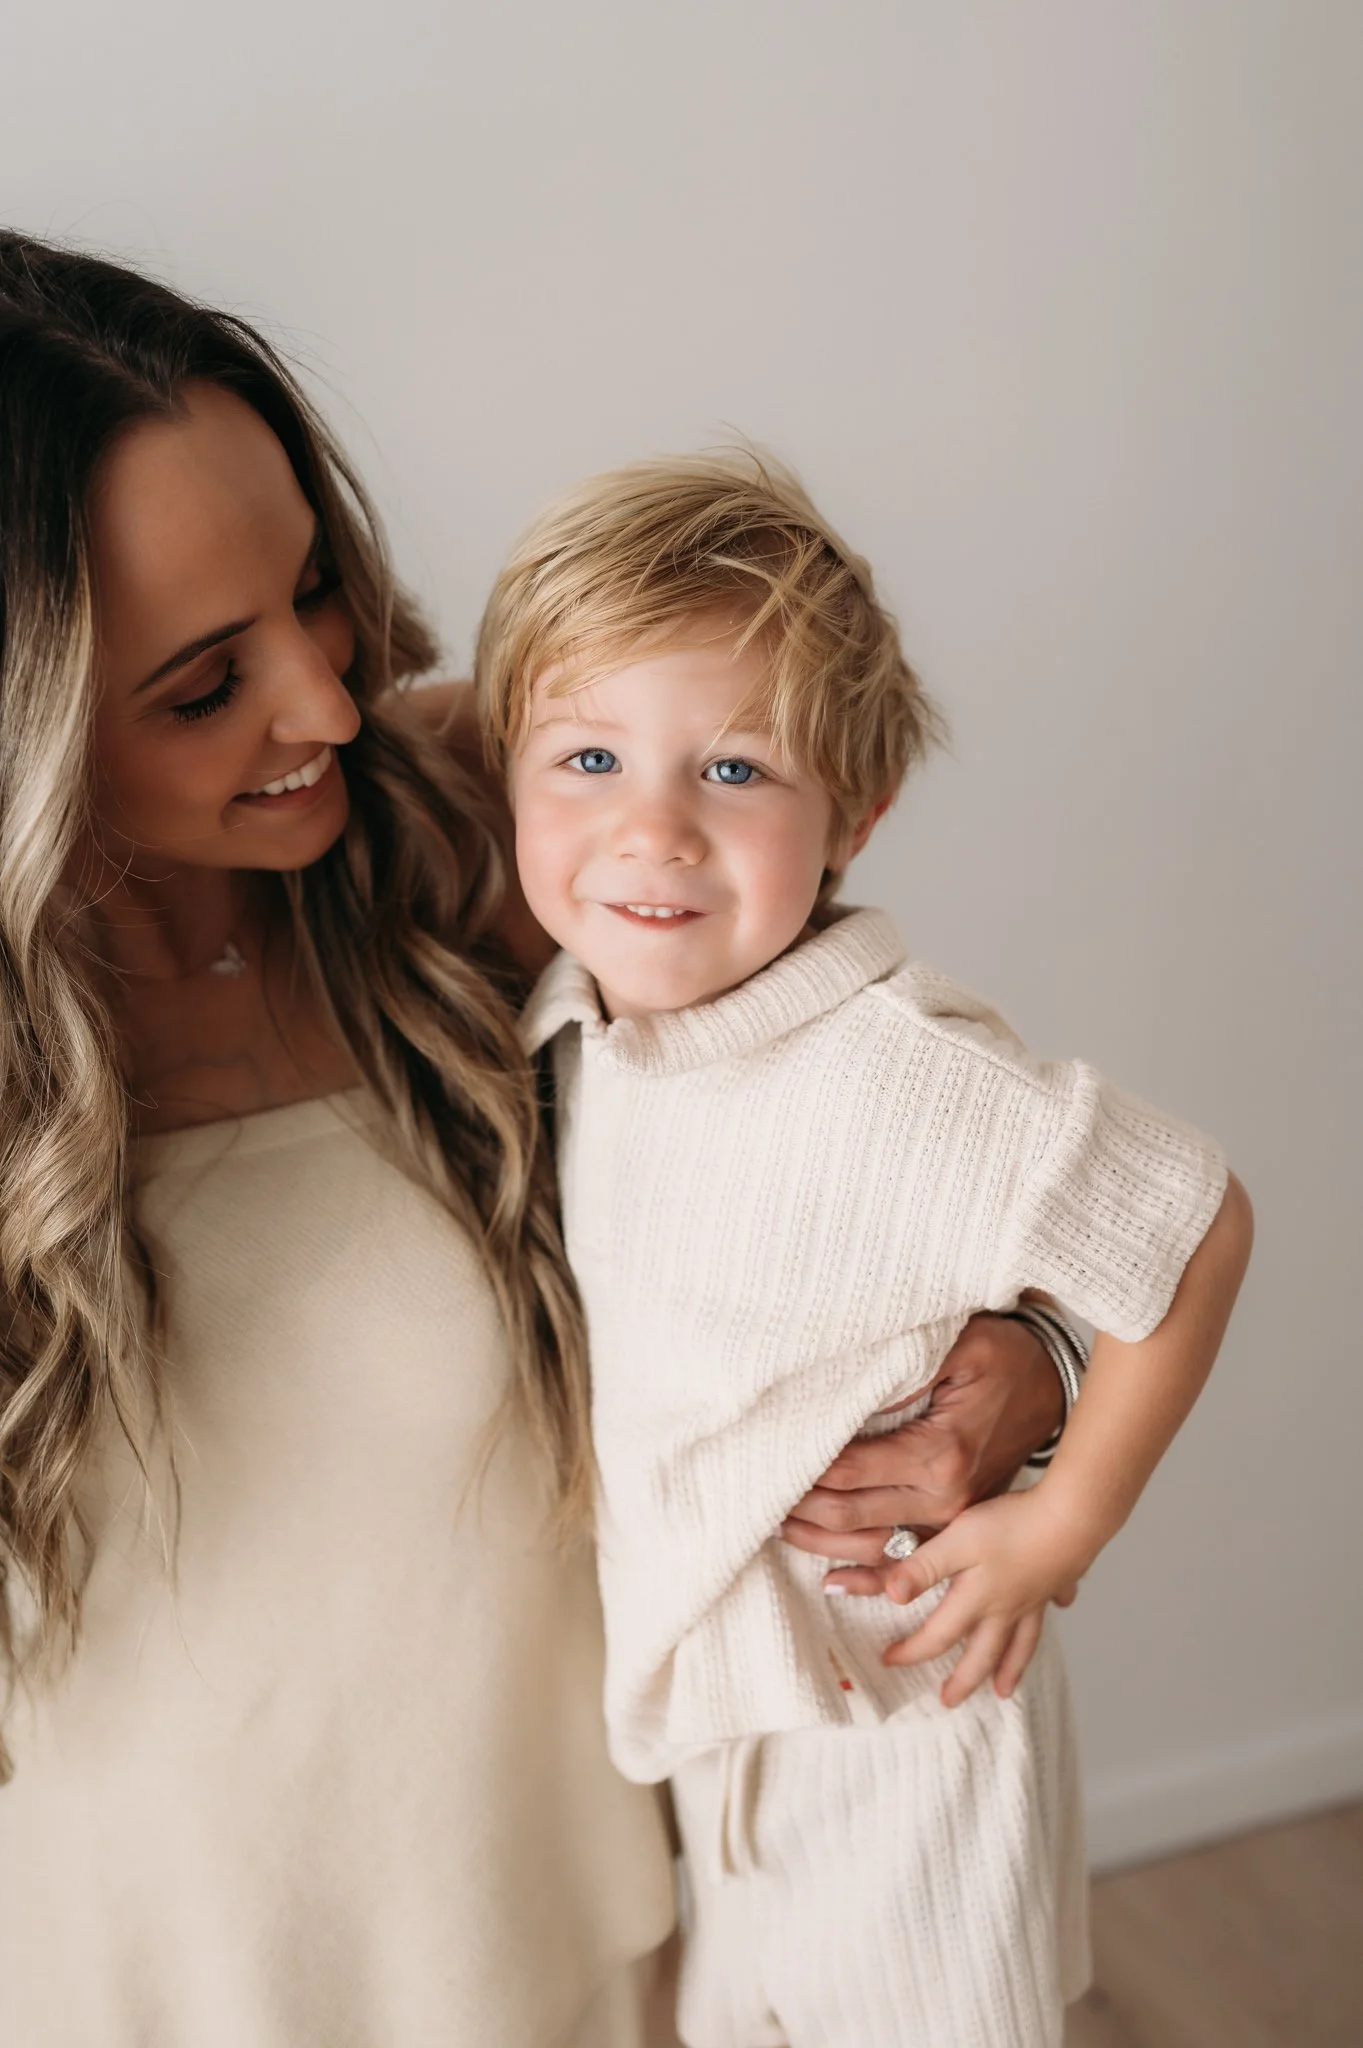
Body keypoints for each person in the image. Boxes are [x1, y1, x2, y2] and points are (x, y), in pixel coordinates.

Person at [0, 232, 1072, 2048]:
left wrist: (1015, 1371)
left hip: (572, 1948)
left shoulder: (488, 846)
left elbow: (953, 1155)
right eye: (205, 684)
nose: (328, 704)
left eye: (314, 594)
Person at [475, 451, 1254, 2048]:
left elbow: (1191, 1231)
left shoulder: (898, 1072)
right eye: (589, 757)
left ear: (857, 812)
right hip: (731, 1719)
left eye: (736, 772)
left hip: (906, 1707)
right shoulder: (580, 1025)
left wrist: (1061, 1531)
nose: (651, 833)